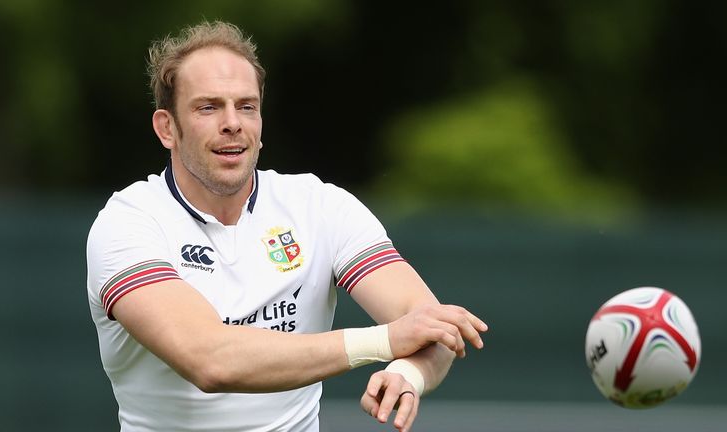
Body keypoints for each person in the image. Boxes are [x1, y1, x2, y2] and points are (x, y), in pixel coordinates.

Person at [86, 20, 488, 432]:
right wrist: (384, 341)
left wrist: (408, 373)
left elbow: (428, 325)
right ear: (167, 128)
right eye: (208, 107)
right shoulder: (128, 222)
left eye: (247, 106)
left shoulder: (319, 206)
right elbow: (210, 359)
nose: (232, 123)